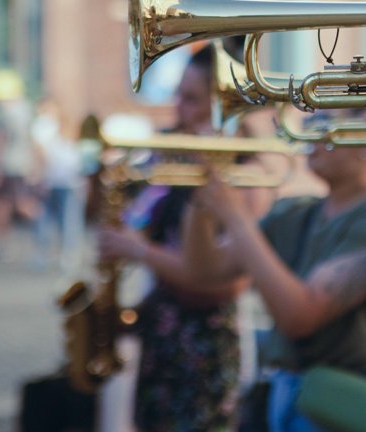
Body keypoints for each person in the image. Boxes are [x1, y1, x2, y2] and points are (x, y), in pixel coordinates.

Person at [184, 109, 366, 432]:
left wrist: (235, 217)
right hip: (294, 398)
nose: (312, 135)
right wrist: (203, 192)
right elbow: (204, 270)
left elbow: (300, 316)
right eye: (310, 124)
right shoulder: (296, 213)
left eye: (325, 126)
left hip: (352, 409)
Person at [97, 46, 251, 432]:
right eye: (178, 95)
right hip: (161, 334)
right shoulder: (170, 155)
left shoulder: (247, 168)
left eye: (192, 98)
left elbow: (227, 281)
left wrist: (137, 250)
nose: (178, 108)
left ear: (223, 105)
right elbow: (140, 221)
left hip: (205, 345)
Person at [0, 69, 40, 262]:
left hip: (8, 164)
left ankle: (6, 244)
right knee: (12, 203)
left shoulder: (6, 113)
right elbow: (32, 140)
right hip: (23, 163)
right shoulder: (26, 110)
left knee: (10, 205)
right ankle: (5, 244)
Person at [30, 98, 87, 275]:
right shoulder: (49, 129)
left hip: (65, 181)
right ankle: (61, 254)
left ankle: (63, 254)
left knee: (63, 220)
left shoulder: (54, 131)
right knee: (57, 220)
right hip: (59, 181)